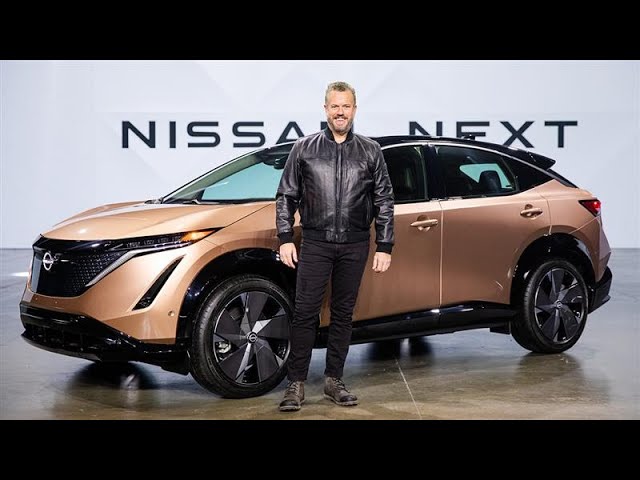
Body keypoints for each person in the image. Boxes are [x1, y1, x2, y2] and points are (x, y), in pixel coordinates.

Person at [275, 81, 394, 412]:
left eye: (346, 106)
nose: (340, 112)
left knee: (343, 314)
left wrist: (385, 245)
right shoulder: (304, 148)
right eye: (335, 106)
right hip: (315, 242)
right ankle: (295, 384)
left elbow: (384, 199)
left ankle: (333, 380)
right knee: (304, 313)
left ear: (355, 110)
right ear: (325, 109)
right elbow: (287, 195)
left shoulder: (370, 151)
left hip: (355, 244)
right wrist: (285, 237)